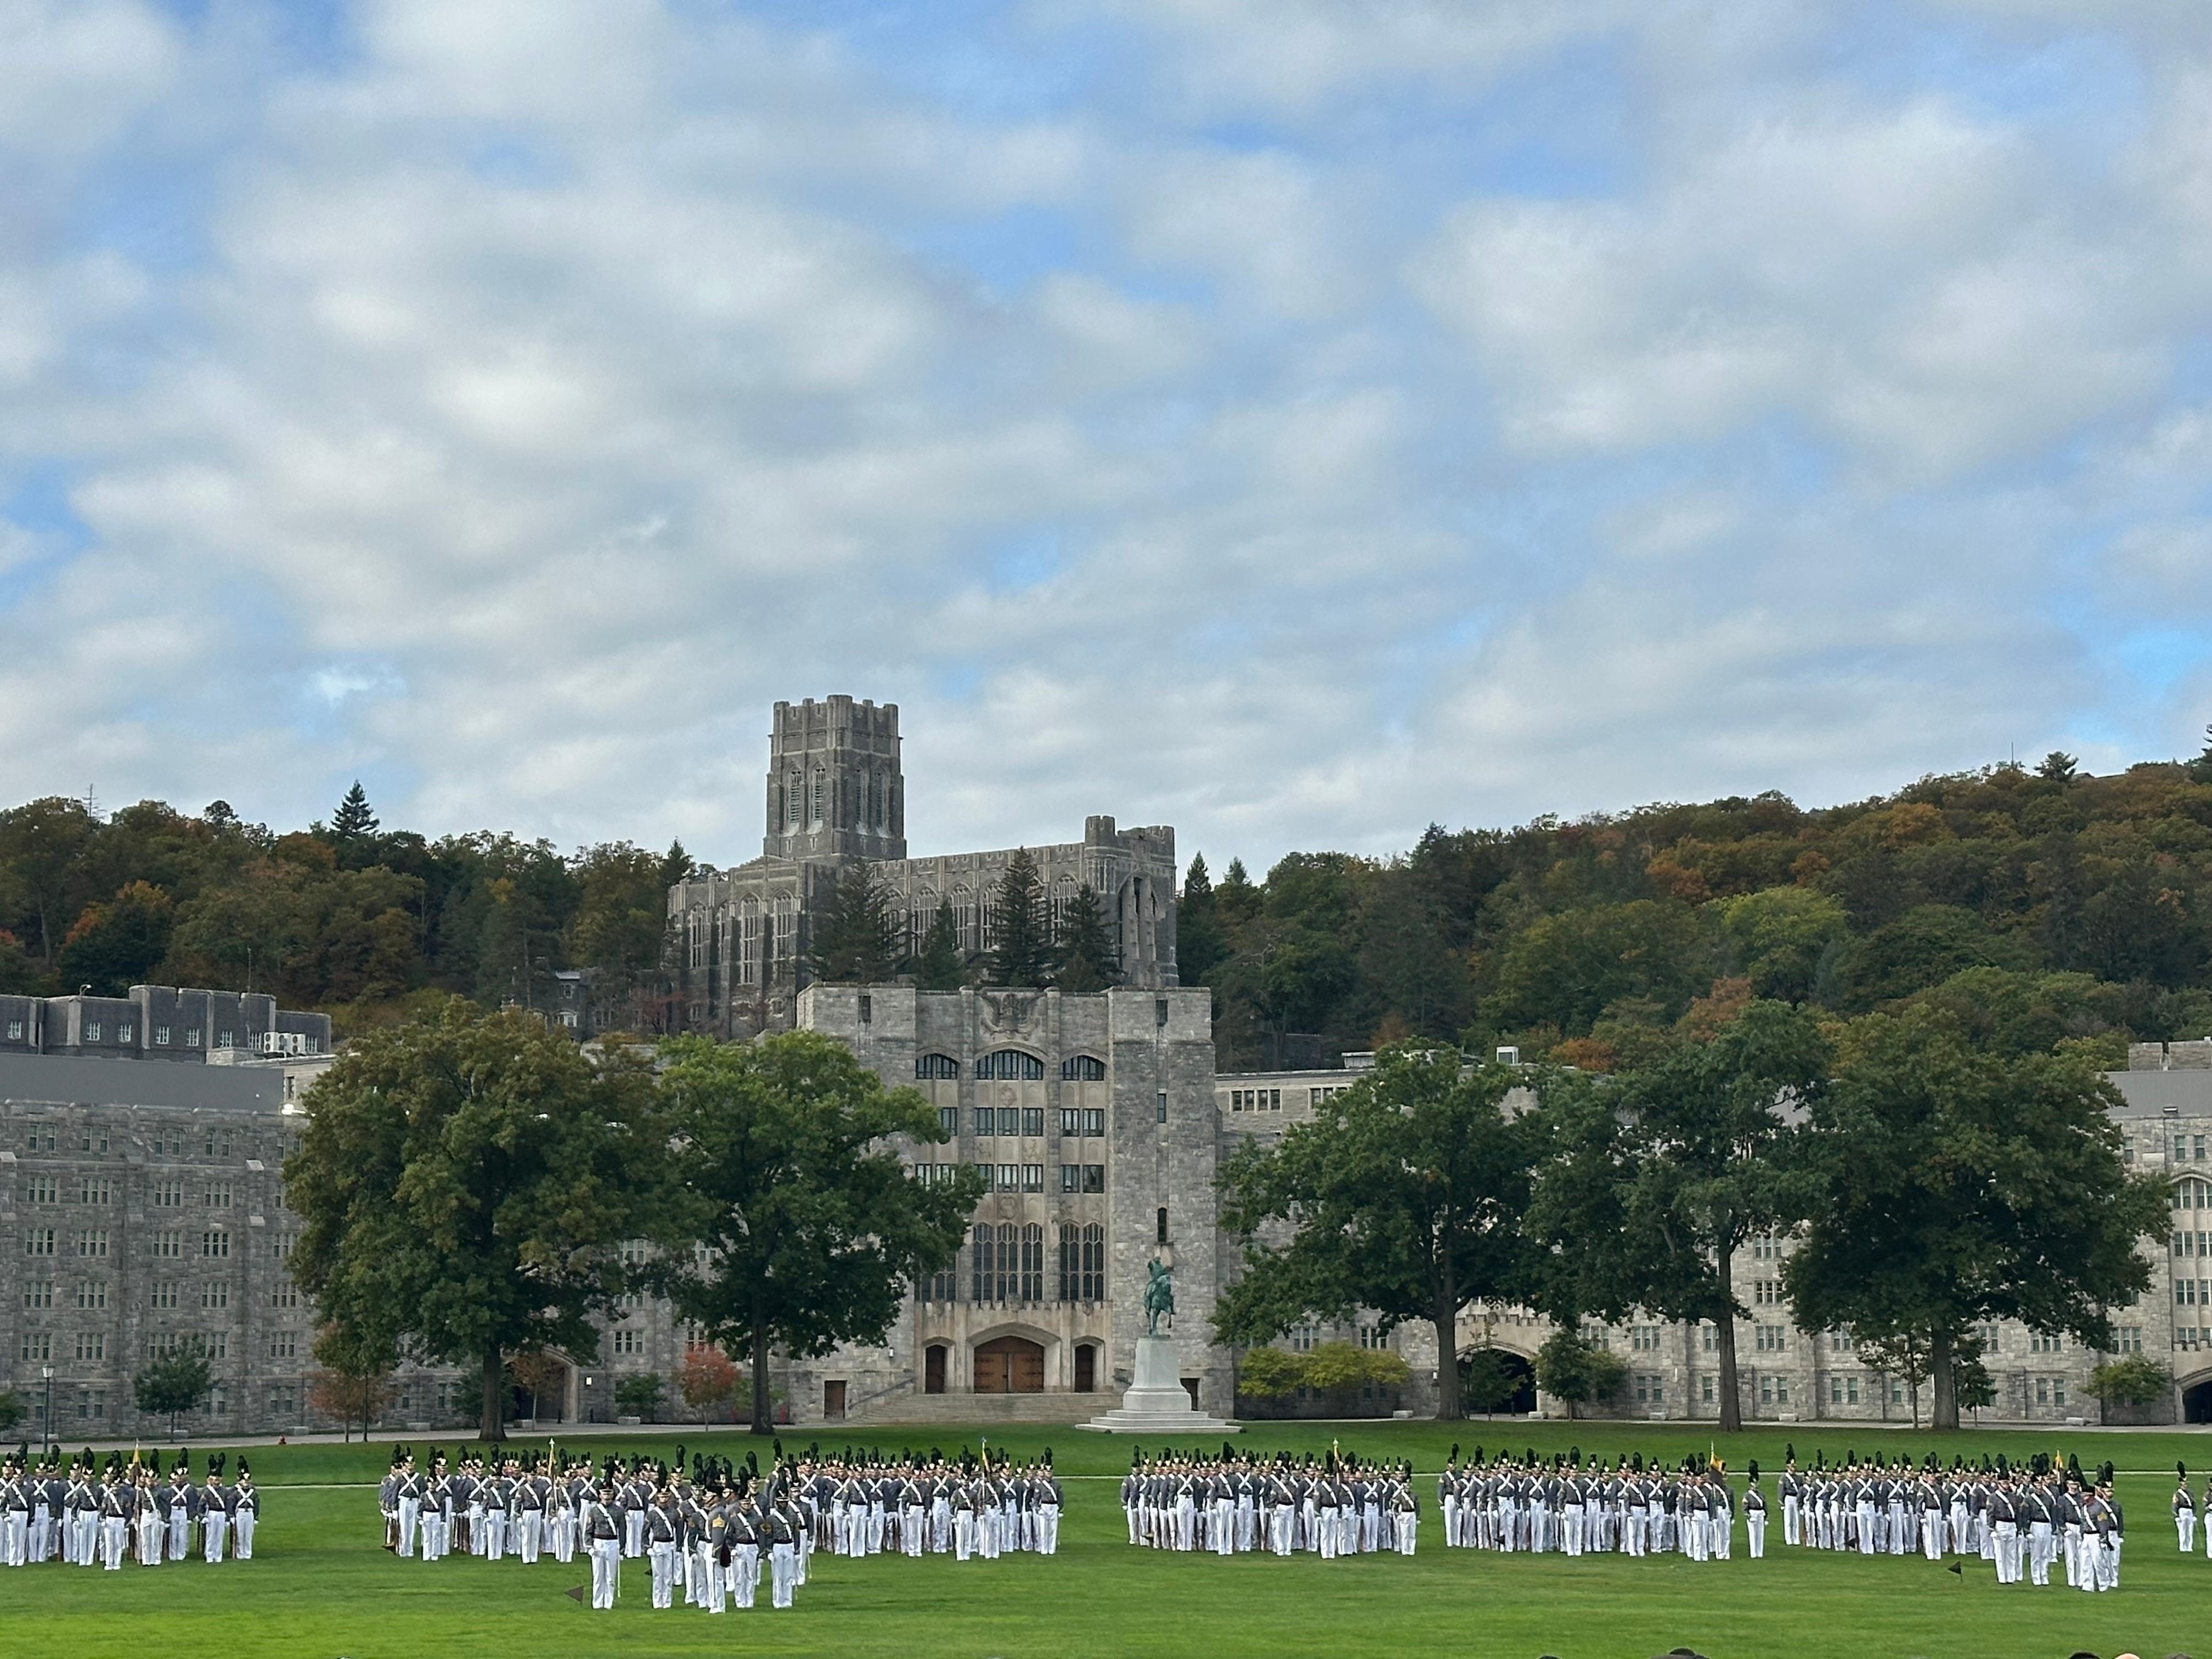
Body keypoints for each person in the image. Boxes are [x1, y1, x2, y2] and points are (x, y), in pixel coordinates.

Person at [582, 1483, 622, 1610]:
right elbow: (588, 1530)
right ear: (600, 1495)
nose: (607, 1496)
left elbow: (623, 1530)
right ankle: (598, 1603)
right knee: (598, 1576)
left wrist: (622, 1549)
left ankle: (608, 1603)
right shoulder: (594, 1511)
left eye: (609, 1493)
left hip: (612, 1543)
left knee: (610, 1577)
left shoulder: (619, 1511)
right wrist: (589, 1546)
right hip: (599, 1542)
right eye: (604, 1493)